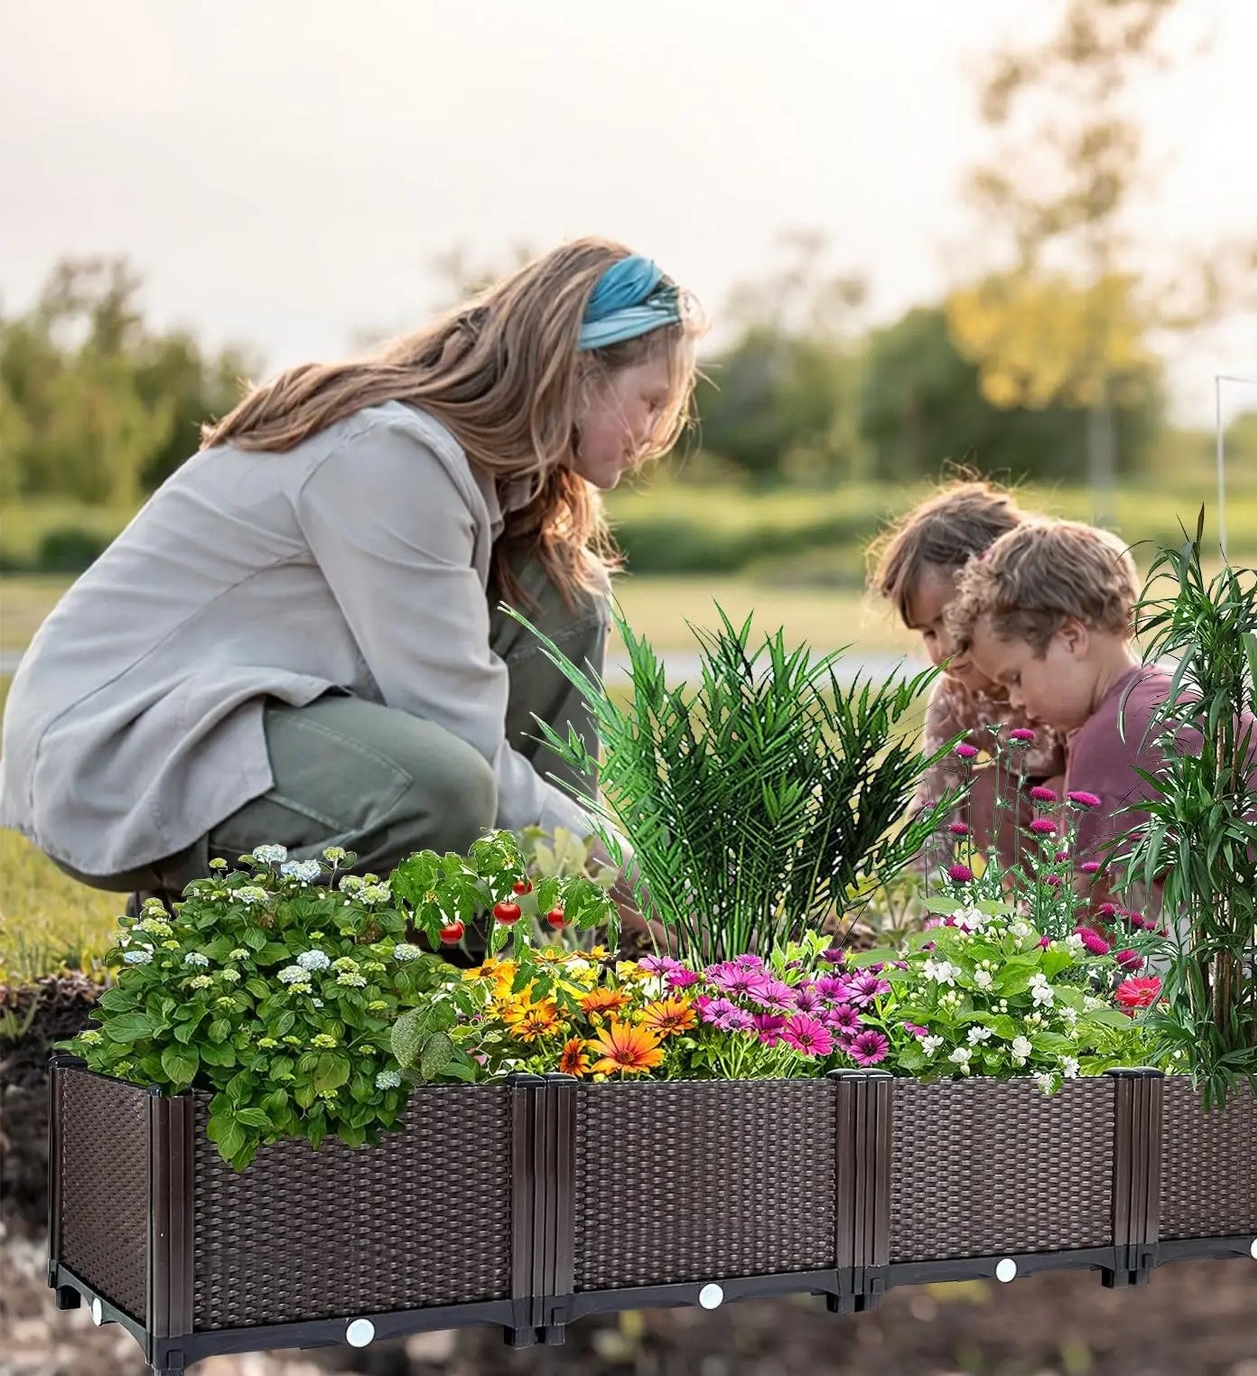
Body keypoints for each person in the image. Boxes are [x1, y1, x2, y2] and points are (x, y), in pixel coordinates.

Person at [0, 239, 703, 930]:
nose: (654, 431)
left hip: (242, 714)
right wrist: (632, 872)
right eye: (649, 400)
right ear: (579, 372)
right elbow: (459, 736)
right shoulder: (391, 458)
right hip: (119, 746)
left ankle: (548, 937)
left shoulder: (479, 479)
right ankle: (215, 931)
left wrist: (598, 888)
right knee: (442, 786)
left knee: (561, 589)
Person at [946, 519, 1257, 897]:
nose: (1015, 701)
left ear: (1071, 638)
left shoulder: (1115, 734)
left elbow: (1084, 900)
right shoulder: (1155, 693)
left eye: (1014, 678)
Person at [867, 477, 1064, 874]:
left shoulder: (1058, 669)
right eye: (926, 631)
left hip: (1105, 830)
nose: (943, 645)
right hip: (1031, 832)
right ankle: (1034, 924)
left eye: (951, 617)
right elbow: (934, 803)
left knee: (1060, 791)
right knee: (987, 793)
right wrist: (919, 907)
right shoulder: (957, 697)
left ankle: (1088, 922)